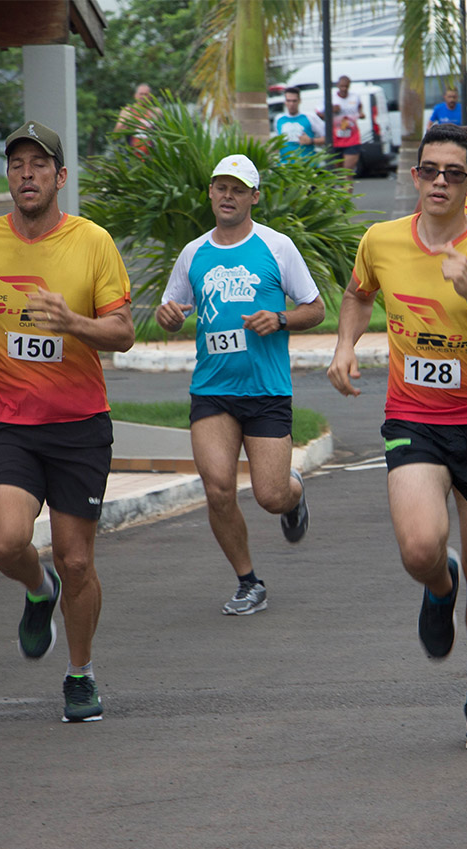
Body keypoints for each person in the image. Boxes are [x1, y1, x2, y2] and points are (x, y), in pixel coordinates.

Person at [327, 124, 467, 750]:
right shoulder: (382, 240)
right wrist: (345, 346)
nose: (439, 181)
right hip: (415, 418)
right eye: (429, 170)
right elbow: (357, 294)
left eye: (453, 173)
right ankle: (437, 586)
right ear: (414, 176)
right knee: (422, 551)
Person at [0, 120, 136, 723]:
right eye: (16, 165)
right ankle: (39, 589)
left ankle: (79, 674)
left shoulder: (92, 243)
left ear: (60, 178)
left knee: (77, 559)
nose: (26, 174)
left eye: (39, 165)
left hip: (79, 424)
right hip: (7, 420)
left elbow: (125, 333)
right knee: (5, 541)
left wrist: (75, 324)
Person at [155, 155, 325, 616]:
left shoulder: (276, 246)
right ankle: (249, 582)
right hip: (212, 390)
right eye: (220, 187)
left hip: (266, 390)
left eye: (238, 189)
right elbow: (173, 309)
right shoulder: (193, 253)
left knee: (270, 496)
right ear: (210, 193)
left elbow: (315, 307)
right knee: (218, 490)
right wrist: (168, 316)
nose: (228, 196)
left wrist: (282, 318)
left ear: (254, 196)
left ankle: (294, 493)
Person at [273, 87, 325, 161]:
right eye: (289, 101)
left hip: (306, 164)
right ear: (285, 102)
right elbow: (277, 142)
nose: (291, 104)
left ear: (299, 101)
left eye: (294, 101)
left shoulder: (310, 117)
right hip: (285, 166)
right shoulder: (279, 119)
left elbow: (327, 138)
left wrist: (311, 141)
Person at [329, 75, 364, 175]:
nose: (344, 89)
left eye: (346, 86)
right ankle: (340, 191)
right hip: (336, 139)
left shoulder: (355, 97)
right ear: (337, 86)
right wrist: (332, 110)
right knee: (338, 173)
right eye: (342, 86)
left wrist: (361, 113)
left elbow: (360, 107)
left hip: (352, 138)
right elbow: (321, 114)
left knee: (347, 172)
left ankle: (347, 190)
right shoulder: (332, 98)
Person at [114, 82, 157, 155]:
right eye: (141, 94)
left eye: (146, 94)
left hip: (152, 157)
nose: (143, 97)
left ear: (150, 97)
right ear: (135, 95)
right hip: (132, 157)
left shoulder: (155, 112)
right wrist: (127, 123)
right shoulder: (127, 111)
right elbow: (116, 134)